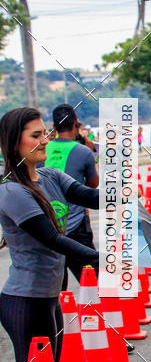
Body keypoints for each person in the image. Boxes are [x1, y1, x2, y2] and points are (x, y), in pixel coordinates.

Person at [0, 107, 100, 362]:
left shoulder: (50, 176)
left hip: (49, 297)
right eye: (35, 135)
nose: (45, 140)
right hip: (25, 301)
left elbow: (90, 197)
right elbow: (53, 239)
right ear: (15, 143)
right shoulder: (11, 191)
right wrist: (101, 259)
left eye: (45, 132)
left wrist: (122, 188)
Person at [44, 104, 99, 291]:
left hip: (49, 228)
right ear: (76, 123)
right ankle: (103, 318)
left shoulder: (42, 151)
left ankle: (63, 319)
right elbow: (93, 185)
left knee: (58, 291)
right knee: (94, 280)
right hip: (76, 226)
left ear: (54, 126)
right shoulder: (83, 151)